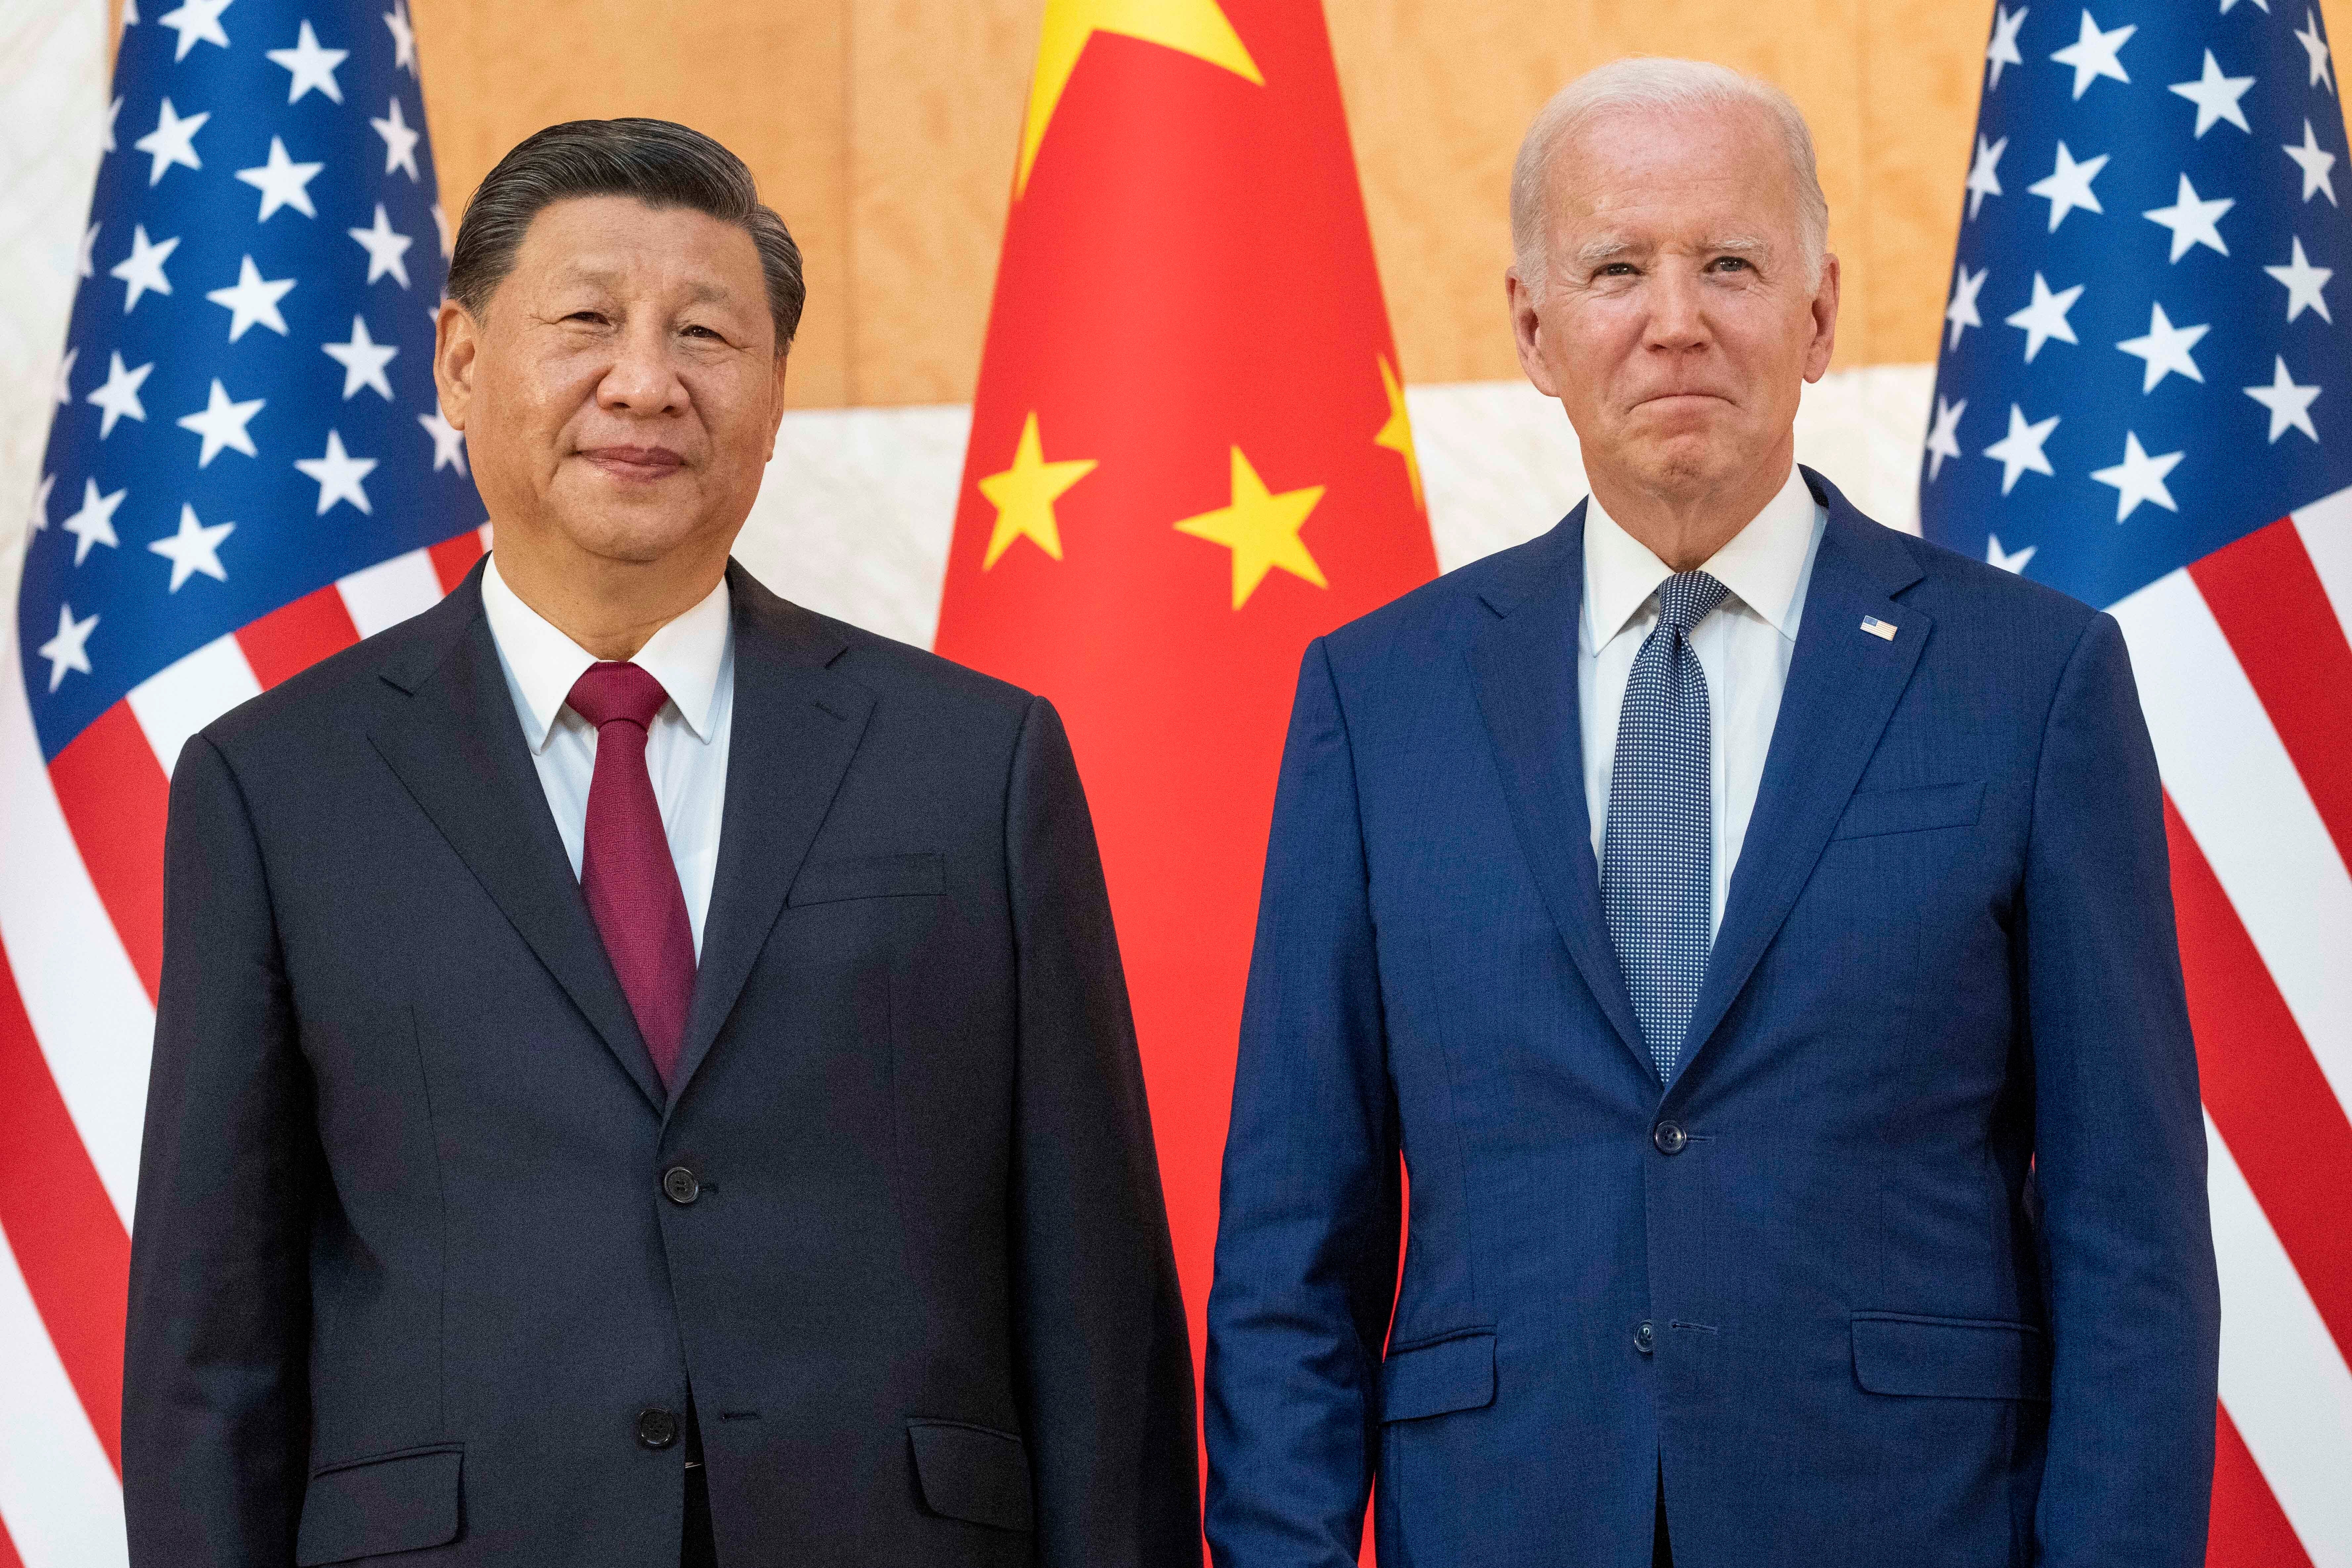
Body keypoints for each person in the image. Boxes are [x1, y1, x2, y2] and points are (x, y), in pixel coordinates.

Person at [123, 118, 1200, 1568]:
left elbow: (1096, 1300)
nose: (645, 382)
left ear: (769, 399)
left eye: (706, 333)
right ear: (457, 361)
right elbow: (213, 1337)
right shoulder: (277, 783)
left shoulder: (974, 759)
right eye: (584, 321)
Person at [1203, 58, 2219, 1568]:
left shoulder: (2032, 678)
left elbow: (2125, 1230)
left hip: (1906, 1522)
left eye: (1728, 264)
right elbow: (1296, 1234)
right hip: (1501, 1519)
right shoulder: (1379, 695)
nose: (1673, 317)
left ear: (1814, 318)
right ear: (1533, 331)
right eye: (1615, 267)